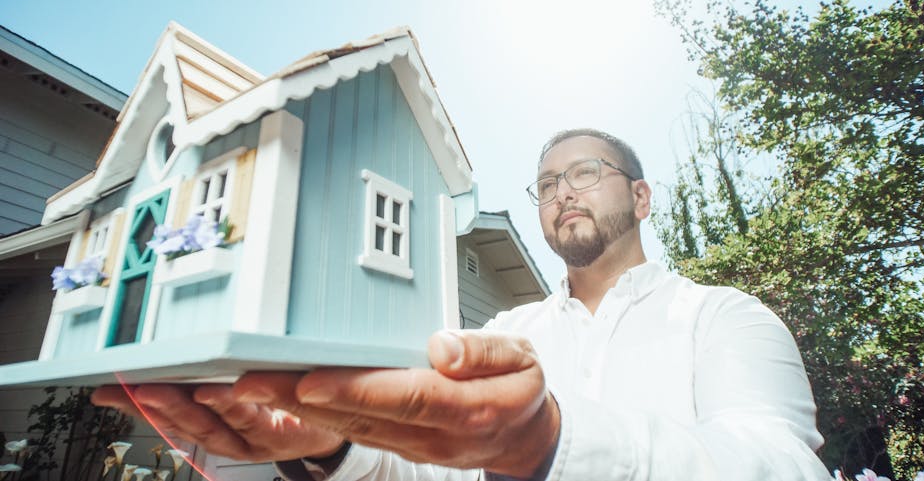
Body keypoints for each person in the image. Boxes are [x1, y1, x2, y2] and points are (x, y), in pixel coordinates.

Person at [93, 129, 831, 480]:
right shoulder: (508, 331)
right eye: (545, 184)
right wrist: (327, 442)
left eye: (584, 172)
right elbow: (428, 467)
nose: (562, 191)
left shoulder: (727, 318)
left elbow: (776, 464)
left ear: (640, 196)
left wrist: (551, 439)